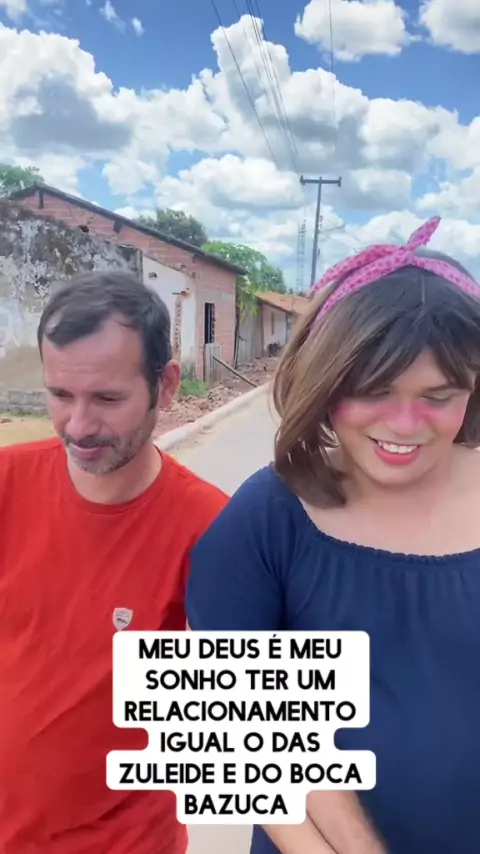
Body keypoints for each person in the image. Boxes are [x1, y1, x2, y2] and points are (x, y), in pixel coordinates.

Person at [186, 217, 480, 854]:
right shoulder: (268, 518)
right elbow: (237, 734)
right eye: (373, 390)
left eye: (439, 395)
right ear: (325, 380)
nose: (406, 424)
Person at [0, 271, 228, 854]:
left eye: (107, 399)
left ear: (166, 386)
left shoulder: (211, 528)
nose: (78, 426)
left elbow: (246, 731)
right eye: (60, 395)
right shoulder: (6, 482)